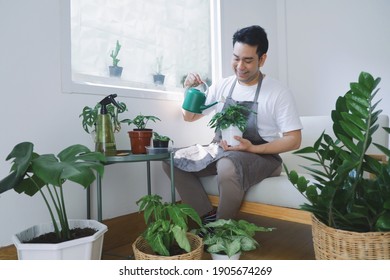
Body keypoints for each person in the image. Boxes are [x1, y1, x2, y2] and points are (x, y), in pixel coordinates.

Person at [162, 25, 302, 224]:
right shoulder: (223, 86)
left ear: (262, 59)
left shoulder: (278, 92)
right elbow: (189, 117)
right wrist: (190, 92)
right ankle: (207, 218)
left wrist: (253, 147)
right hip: (222, 150)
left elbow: (294, 140)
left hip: (263, 157)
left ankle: (223, 230)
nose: (240, 66)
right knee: (171, 159)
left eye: (248, 60)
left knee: (226, 165)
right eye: (236, 58)